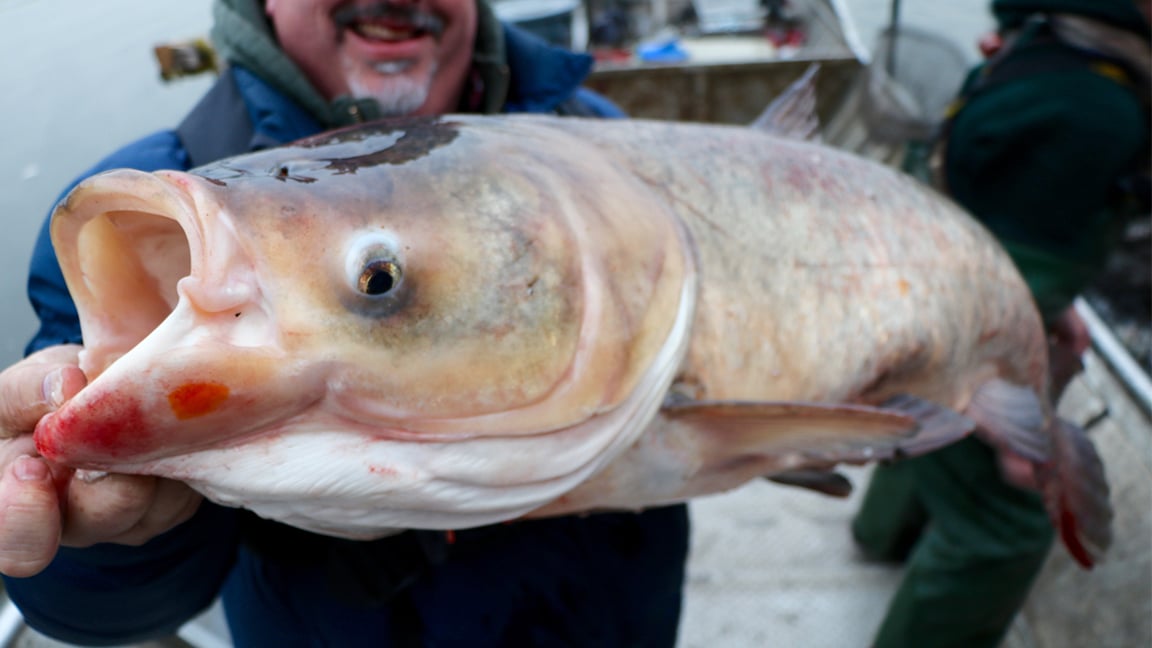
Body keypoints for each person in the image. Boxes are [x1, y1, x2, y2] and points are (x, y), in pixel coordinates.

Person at [0, 1, 690, 646]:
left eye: (380, 282)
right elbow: (89, 610)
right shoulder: (138, 222)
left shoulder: (606, 145)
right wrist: (111, 530)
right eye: (376, 281)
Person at [852, 1, 1150, 646]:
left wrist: (1051, 301)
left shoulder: (1042, 46)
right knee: (1000, 529)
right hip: (958, 314)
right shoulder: (1101, 107)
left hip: (927, 270)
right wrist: (1017, 416)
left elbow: (1006, 210)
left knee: (923, 431)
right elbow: (1025, 262)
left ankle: (880, 533)